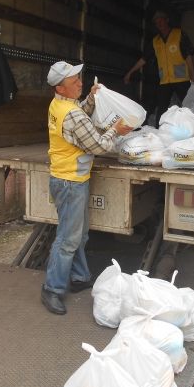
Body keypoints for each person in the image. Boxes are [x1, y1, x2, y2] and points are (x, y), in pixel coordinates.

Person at [42, 61, 133, 315]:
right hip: (70, 182)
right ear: (61, 87)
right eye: (74, 82)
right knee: (67, 239)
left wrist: (91, 99)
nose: (81, 83)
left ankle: (80, 277)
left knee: (79, 235)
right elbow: (99, 146)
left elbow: (79, 113)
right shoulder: (71, 114)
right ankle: (52, 289)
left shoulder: (59, 105)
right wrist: (115, 130)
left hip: (68, 179)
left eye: (79, 78)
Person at [124, 10, 194, 127]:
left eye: (161, 21)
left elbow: (188, 55)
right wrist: (130, 72)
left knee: (190, 106)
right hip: (165, 81)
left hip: (181, 79)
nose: (159, 24)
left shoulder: (179, 34)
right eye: (157, 23)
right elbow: (144, 59)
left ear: (167, 20)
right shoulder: (155, 41)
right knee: (161, 109)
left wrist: (193, 77)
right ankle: (159, 131)